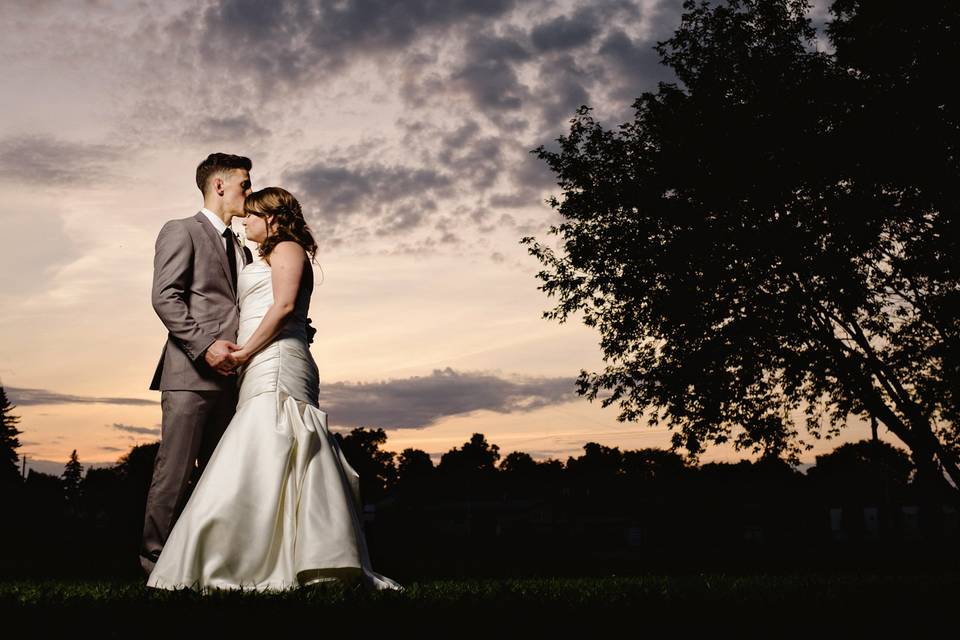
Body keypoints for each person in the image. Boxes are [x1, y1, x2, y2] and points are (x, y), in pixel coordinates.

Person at [146, 186, 403, 593]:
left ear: (273, 218)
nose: (244, 219)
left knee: (274, 444)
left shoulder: (287, 248)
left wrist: (245, 351)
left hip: (275, 362)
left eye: (251, 213)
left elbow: (283, 307)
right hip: (257, 363)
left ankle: (278, 558)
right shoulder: (260, 254)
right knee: (264, 452)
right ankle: (257, 553)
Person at [140, 153, 254, 577]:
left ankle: (206, 564)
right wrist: (206, 347)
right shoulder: (181, 230)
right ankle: (153, 563)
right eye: (245, 182)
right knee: (175, 472)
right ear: (219, 185)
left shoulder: (243, 246)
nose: (250, 190)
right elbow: (164, 296)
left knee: (222, 476)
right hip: (190, 375)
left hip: (236, 379)